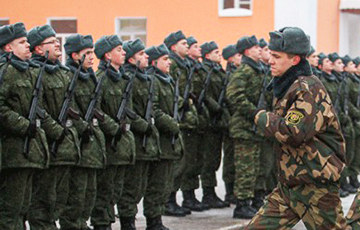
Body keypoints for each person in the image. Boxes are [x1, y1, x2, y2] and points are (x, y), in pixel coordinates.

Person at [245, 27, 349, 230]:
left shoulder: (307, 88)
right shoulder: (288, 85)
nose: (270, 60)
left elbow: (292, 132)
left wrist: (261, 116)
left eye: (276, 56)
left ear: (294, 60)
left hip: (315, 186)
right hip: (290, 185)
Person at [27, 24, 80, 230]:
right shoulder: (34, 72)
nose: (58, 43)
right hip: (46, 144)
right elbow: (35, 107)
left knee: (59, 200)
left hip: (64, 145)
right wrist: (54, 129)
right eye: (51, 41)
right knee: (43, 202)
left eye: (56, 40)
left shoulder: (62, 72)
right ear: (38, 49)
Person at [0, 22, 49, 229]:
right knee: (11, 209)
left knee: (23, 208)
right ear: (8, 48)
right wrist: (22, 125)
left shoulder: (27, 72)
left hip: (29, 151)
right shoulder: (6, 71)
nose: (28, 45)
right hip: (13, 152)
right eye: (22, 42)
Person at [91, 35, 136, 230]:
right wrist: (112, 127)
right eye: (119, 49)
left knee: (116, 190)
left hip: (122, 143)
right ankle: (102, 225)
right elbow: (95, 109)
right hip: (109, 143)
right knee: (105, 190)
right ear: (107, 55)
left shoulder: (123, 79)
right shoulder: (100, 79)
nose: (124, 52)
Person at [226, 35, 271, 219]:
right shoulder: (243, 71)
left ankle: (256, 199)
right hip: (245, 127)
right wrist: (254, 113)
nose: (259, 49)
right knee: (246, 168)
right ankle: (242, 204)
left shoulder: (259, 71)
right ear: (246, 51)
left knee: (258, 167)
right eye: (254, 48)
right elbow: (234, 96)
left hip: (257, 127)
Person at [164, 31, 200, 213]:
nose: (187, 46)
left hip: (186, 118)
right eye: (183, 43)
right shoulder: (172, 65)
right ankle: (168, 201)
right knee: (177, 163)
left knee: (187, 162)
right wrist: (180, 105)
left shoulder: (184, 64)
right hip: (176, 118)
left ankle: (179, 199)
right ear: (173, 47)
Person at [329, 52, 355, 196]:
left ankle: (344, 181)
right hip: (332, 123)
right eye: (339, 63)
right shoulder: (324, 79)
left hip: (344, 122)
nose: (342, 66)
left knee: (347, 155)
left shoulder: (341, 80)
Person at [221, 44, 240, 205]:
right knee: (230, 158)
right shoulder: (230, 75)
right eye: (237, 55)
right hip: (230, 121)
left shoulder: (237, 73)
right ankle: (229, 191)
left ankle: (233, 191)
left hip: (233, 121)